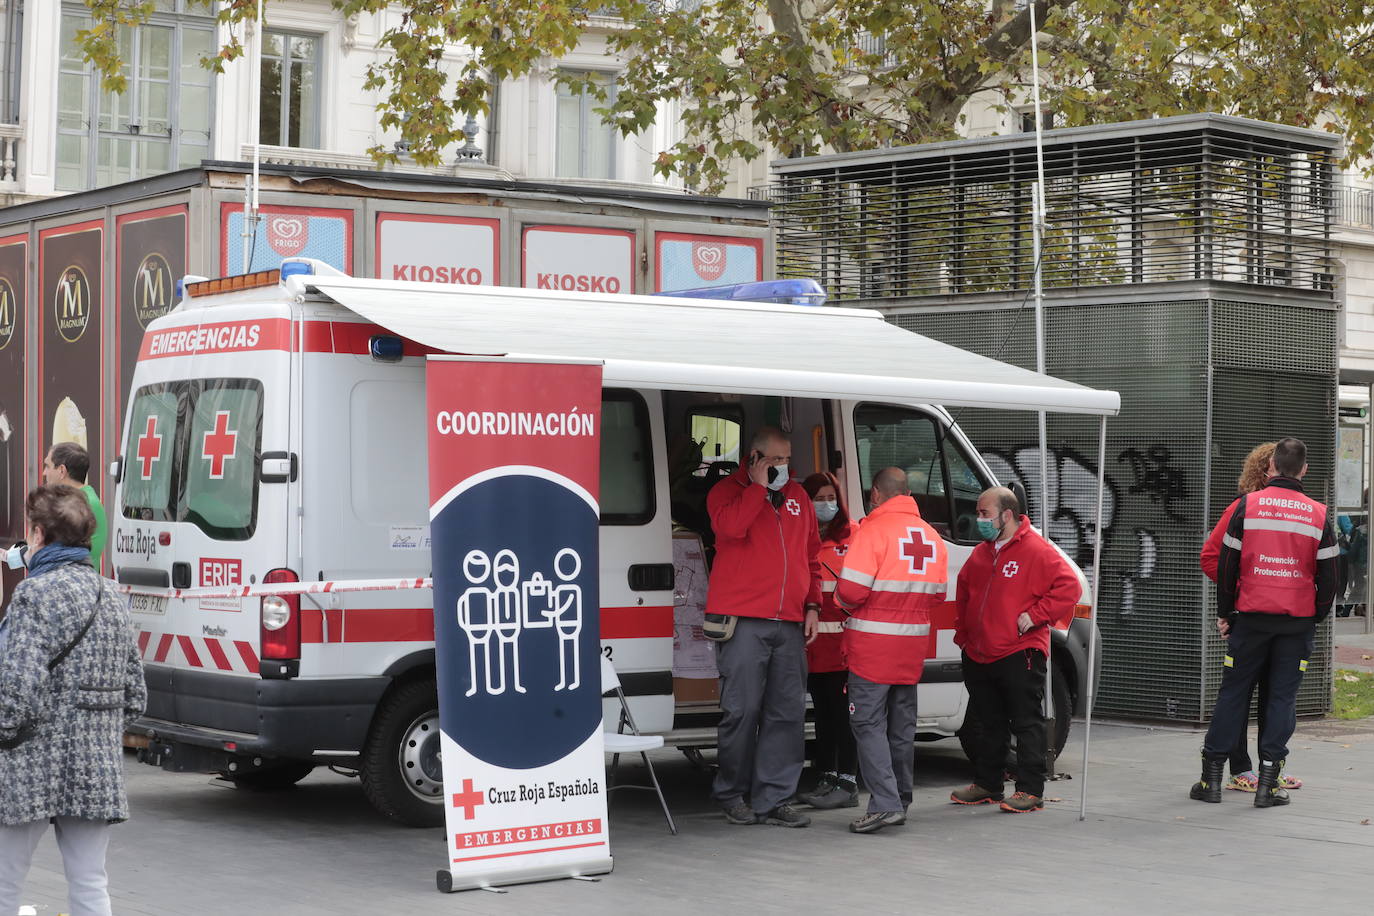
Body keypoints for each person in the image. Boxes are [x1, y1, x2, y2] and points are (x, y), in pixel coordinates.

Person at [0, 484, 146, 916]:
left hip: (29, 766)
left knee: (5, 881)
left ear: (40, 535)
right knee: (89, 883)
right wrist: (92, 730)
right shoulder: (113, 598)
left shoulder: (33, 595)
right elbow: (135, 696)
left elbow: (15, 696)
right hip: (95, 770)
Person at [1190, 437, 1336, 808]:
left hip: (1251, 618)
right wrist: (1313, 614)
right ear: (1304, 469)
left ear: (1271, 465)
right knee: (1282, 698)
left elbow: (1224, 564)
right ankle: (1268, 785)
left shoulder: (1247, 506)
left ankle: (1211, 781)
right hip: (1296, 621)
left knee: (1233, 694)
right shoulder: (1318, 514)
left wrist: (1228, 611)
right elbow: (1332, 576)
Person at [706, 427, 821, 827]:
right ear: (753, 458)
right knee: (742, 710)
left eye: (787, 459)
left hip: (789, 621)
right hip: (743, 622)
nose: (782, 467)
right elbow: (730, 529)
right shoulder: (726, 491)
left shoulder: (799, 497)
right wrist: (756, 488)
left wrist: (812, 605)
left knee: (786, 713)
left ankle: (774, 799)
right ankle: (732, 793)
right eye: (774, 459)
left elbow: (811, 556)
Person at [950, 486, 1077, 814]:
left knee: (1025, 721)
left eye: (984, 514)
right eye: (979, 513)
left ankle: (1030, 789)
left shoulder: (1036, 549)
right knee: (988, 721)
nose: (979, 520)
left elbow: (1070, 587)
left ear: (1007, 515)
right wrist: (964, 635)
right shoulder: (982, 552)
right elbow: (963, 593)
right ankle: (988, 784)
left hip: (1018, 651)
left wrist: (1035, 616)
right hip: (979, 652)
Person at [834, 468, 948, 834]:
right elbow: (938, 595)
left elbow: (851, 592)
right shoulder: (932, 536)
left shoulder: (872, 532)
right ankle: (900, 797)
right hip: (911, 648)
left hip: (872, 649)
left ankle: (884, 804)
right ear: (907, 493)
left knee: (867, 723)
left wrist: (839, 599)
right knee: (901, 728)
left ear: (876, 495)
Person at [1199, 442, 1303, 793]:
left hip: (1272, 618)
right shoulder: (1243, 509)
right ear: (1268, 471)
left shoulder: (1298, 513)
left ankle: (1268, 769)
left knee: (1272, 694)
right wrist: (1239, 597)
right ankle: (1242, 768)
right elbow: (1212, 557)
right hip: (1255, 615)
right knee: (1241, 693)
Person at [795, 471, 860, 810]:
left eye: (830, 497)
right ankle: (827, 776)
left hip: (844, 646)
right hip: (814, 645)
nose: (826, 504)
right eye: (818, 499)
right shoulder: (800, 535)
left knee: (843, 715)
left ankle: (847, 782)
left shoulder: (855, 536)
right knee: (822, 715)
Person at [43, 442, 108, 569]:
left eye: (47, 466)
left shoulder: (83, 505)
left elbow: (53, 551)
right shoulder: (85, 500)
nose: (44, 473)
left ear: (62, 470)